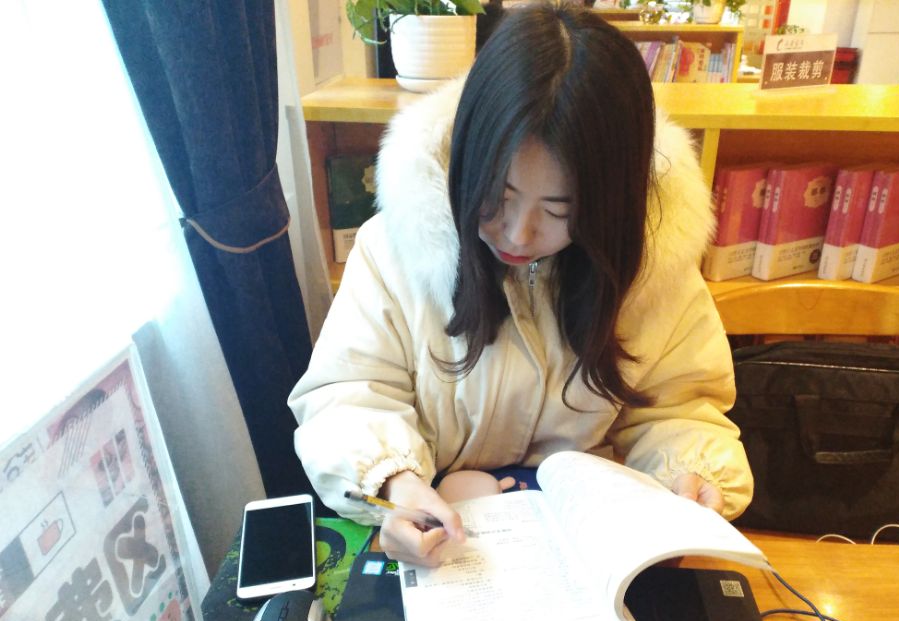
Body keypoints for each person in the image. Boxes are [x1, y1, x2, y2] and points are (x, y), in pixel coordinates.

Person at [289, 2, 753, 566]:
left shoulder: (655, 266)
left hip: (588, 548)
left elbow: (679, 410)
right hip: (442, 544)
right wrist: (395, 483)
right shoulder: (394, 250)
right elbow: (348, 395)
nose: (518, 233)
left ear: (611, 203)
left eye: (560, 210)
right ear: (466, 161)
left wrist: (688, 472)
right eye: (497, 195)